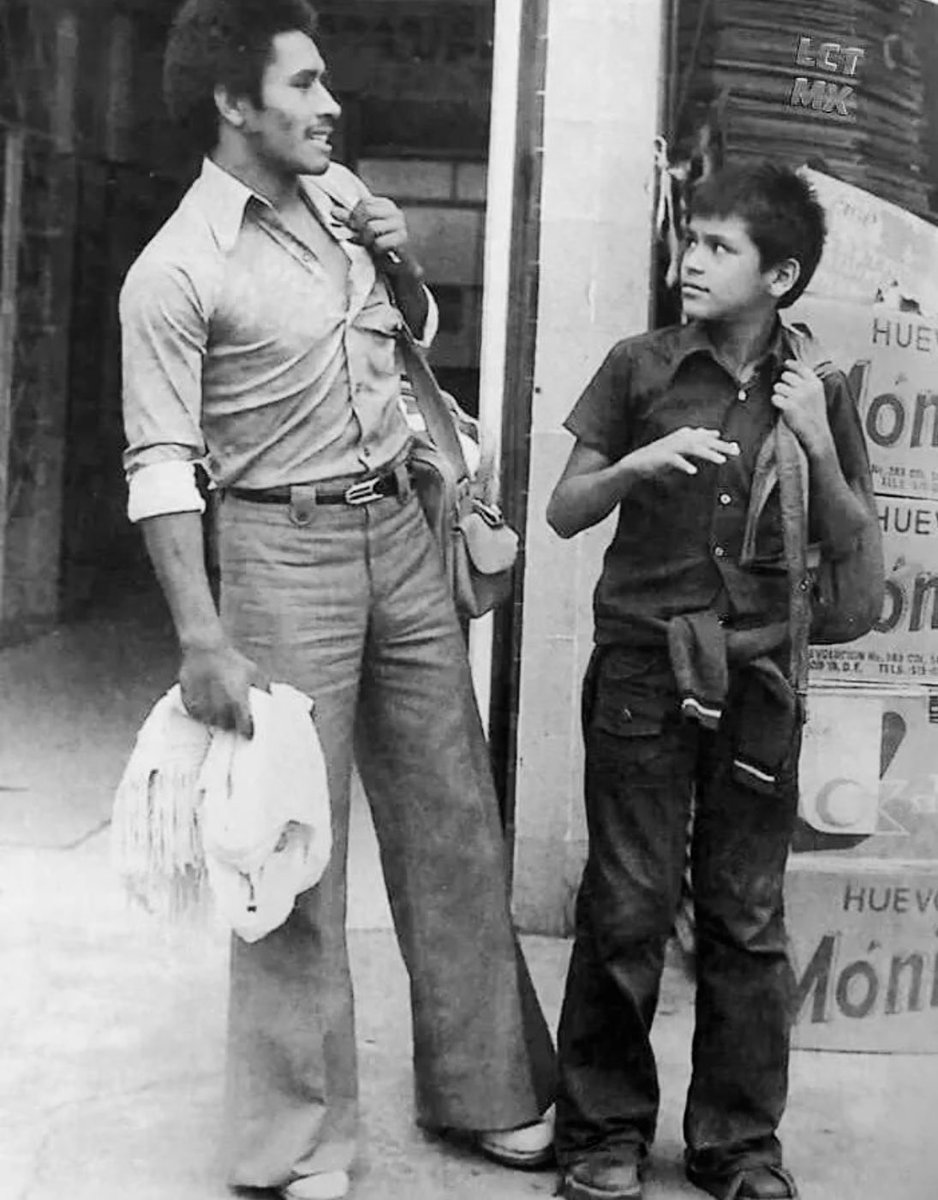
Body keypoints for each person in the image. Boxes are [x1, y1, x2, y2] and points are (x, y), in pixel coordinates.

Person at [119, 2, 555, 1197]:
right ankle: (295, 1141)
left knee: (451, 813)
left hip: (398, 531)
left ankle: (491, 1091)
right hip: (276, 553)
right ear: (232, 102)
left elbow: (411, 338)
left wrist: (402, 252)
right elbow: (158, 469)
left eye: (327, 85)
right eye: (303, 84)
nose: (329, 106)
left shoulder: (340, 199)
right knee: (290, 849)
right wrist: (199, 634)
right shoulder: (173, 272)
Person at [546, 162, 878, 1200]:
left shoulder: (817, 390)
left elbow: (854, 553)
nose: (690, 260)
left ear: (778, 276)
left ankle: (735, 1144)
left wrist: (817, 446)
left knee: (744, 917)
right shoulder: (637, 367)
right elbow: (562, 509)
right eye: (689, 240)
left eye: (719, 247)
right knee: (627, 905)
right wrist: (634, 468)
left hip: (758, 682)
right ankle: (601, 1132)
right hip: (643, 672)